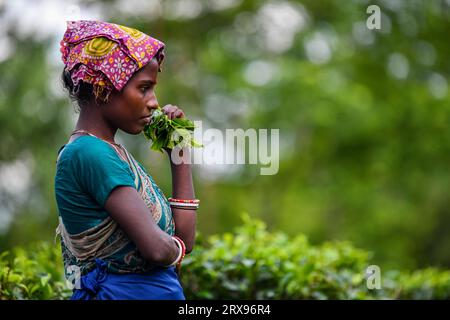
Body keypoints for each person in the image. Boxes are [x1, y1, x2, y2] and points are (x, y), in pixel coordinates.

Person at [54, 20, 197, 300]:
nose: (154, 101)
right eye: (144, 88)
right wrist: (171, 247)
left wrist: (179, 155)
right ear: (103, 88)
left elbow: (184, 240)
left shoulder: (112, 153)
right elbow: (156, 250)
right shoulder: (88, 153)